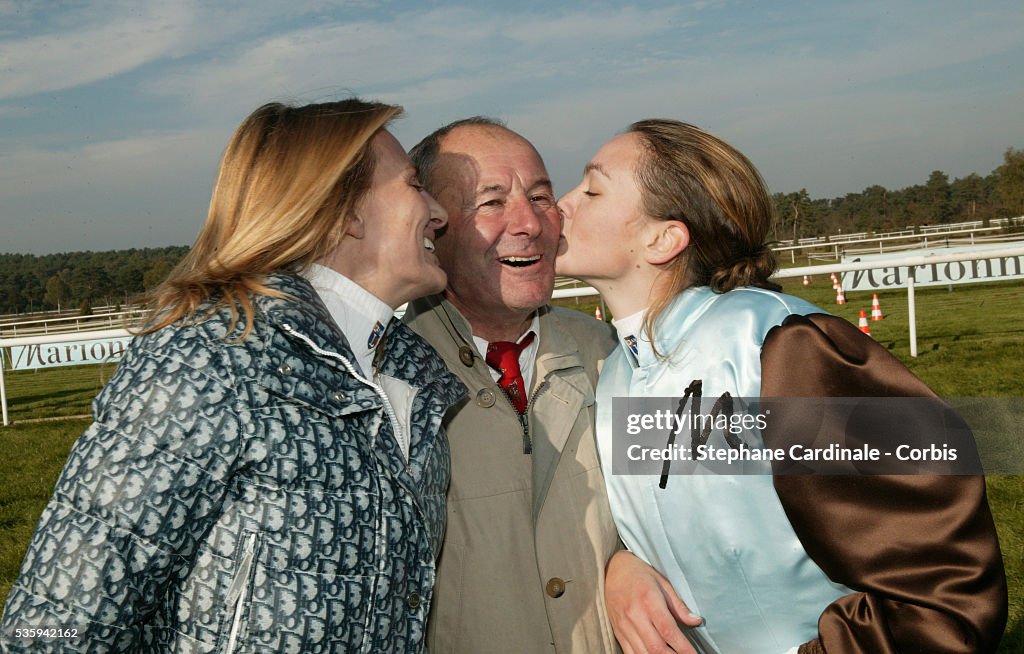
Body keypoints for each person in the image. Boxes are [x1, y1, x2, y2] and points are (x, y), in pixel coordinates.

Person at [0, 99, 467, 652]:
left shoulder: (418, 379)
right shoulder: (210, 356)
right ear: (343, 208)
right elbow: (51, 623)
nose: (439, 213)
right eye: (415, 185)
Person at [556, 119, 1008, 653]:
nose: (561, 204)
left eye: (592, 189)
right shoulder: (616, 372)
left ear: (663, 238)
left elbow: (940, 594)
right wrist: (620, 563)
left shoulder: (783, 347)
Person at [403, 118, 621, 652]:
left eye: (541, 196)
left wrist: (637, 560)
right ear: (432, 224)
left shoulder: (612, 352)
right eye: (491, 202)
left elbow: (833, 453)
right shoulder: (386, 381)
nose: (530, 223)